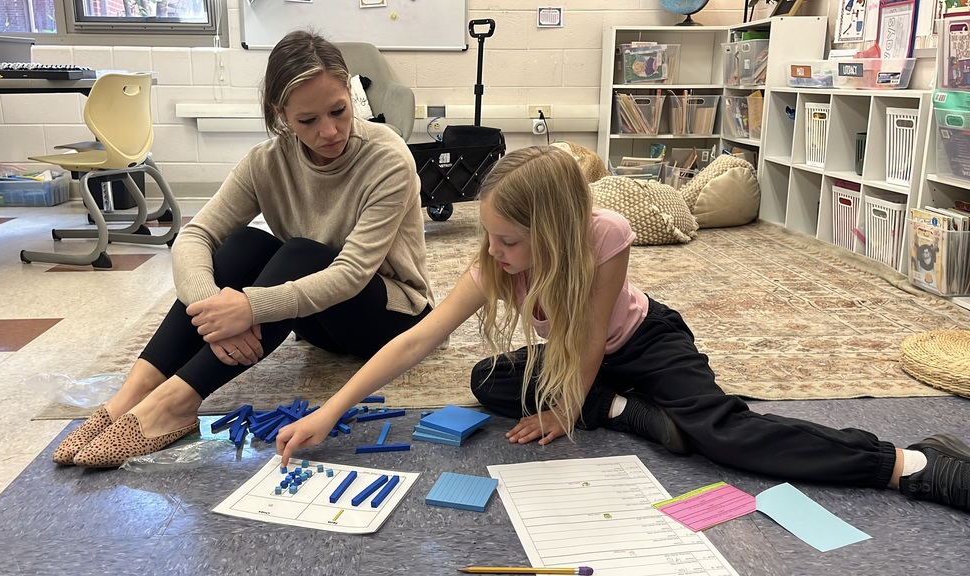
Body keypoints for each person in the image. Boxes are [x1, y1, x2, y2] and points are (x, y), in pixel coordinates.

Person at [276, 145, 970, 513]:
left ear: (552, 231)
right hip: (587, 361)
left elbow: (582, 342)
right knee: (487, 379)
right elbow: (415, 339)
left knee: (719, 432)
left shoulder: (605, 233)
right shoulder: (501, 259)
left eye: (509, 241)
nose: (494, 254)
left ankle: (911, 465)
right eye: (490, 238)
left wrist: (569, 404)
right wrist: (330, 414)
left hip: (642, 340)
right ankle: (624, 412)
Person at [52, 29, 434, 468]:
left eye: (339, 111)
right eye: (308, 120)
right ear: (281, 115)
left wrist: (249, 308)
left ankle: (176, 402)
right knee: (245, 243)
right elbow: (195, 237)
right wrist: (214, 307)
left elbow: (351, 274)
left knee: (301, 253)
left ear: (350, 93)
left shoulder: (388, 157)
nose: (330, 131)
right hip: (311, 317)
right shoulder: (266, 161)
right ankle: (135, 391)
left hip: (389, 317)